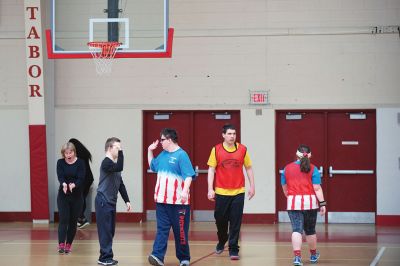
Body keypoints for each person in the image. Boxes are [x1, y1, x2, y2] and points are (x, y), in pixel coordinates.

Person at [147, 128, 195, 266]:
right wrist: (150, 150)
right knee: (162, 229)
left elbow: (188, 176)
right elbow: (152, 166)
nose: (160, 142)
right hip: (162, 202)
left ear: (169, 140)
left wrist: (185, 192)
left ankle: (184, 258)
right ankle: (157, 256)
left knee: (180, 232)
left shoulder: (182, 155)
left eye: (162, 140)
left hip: (179, 203)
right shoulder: (162, 155)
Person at [207, 124, 255, 260]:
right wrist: (210, 188)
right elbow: (211, 170)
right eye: (229, 134)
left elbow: (249, 168)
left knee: (235, 221)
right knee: (220, 219)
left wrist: (252, 186)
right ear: (223, 135)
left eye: (234, 134)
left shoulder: (243, 149)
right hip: (221, 192)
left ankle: (233, 249)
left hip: (238, 191)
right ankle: (222, 240)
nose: (232, 136)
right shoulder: (216, 150)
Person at [281, 144, 326, 266]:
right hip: (310, 203)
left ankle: (297, 258)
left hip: (293, 203)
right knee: (310, 231)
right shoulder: (313, 168)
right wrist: (323, 204)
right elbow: (317, 188)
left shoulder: (287, 168)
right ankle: (313, 255)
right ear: (310, 155)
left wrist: (291, 197)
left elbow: (285, 189)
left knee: (296, 230)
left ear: (296, 154)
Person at [95, 137, 132, 266]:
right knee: (105, 231)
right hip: (103, 201)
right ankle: (105, 258)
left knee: (110, 231)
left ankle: (106, 256)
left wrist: (127, 200)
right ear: (110, 148)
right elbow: (120, 166)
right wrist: (122, 153)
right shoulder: (106, 163)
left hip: (111, 202)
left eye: (120, 148)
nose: (120, 150)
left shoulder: (115, 167)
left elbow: (120, 185)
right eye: (117, 148)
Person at [56, 142, 85, 254]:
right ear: (63, 154)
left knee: (73, 221)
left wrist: (74, 185)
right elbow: (60, 176)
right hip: (63, 195)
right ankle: (61, 244)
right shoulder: (60, 162)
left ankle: (68, 244)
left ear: (74, 152)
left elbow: (81, 177)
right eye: (66, 153)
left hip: (77, 196)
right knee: (63, 219)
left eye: (70, 152)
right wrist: (64, 184)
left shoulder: (80, 163)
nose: (68, 155)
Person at [69, 138, 94, 229]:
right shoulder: (84, 153)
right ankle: (80, 219)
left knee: (79, 199)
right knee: (81, 198)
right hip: (89, 179)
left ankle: (81, 218)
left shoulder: (77, 157)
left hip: (83, 179)